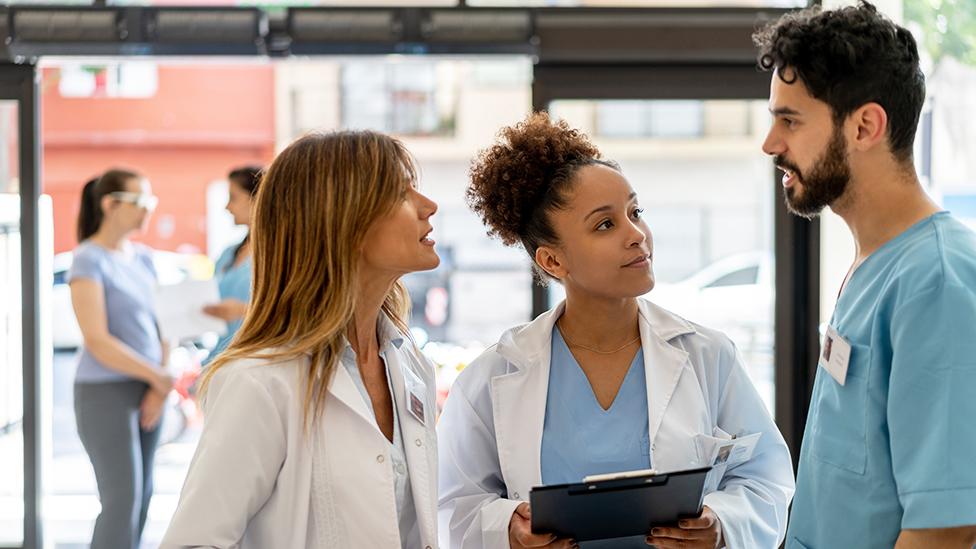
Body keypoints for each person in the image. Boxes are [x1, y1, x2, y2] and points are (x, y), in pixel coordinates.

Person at [437, 113, 794, 549]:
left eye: (635, 212)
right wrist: (507, 528)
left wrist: (721, 523)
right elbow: (452, 504)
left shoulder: (708, 355)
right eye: (605, 224)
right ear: (552, 262)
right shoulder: (492, 377)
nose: (637, 235)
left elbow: (766, 478)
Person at [754, 3, 976, 548]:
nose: (770, 144)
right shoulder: (873, 263)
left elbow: (944, 531)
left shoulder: (937, 282)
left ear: (865, 126)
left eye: (790, 120)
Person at [161, 130, 442, 548]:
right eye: (402, 193)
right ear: (346, 221)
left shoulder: (408, 363)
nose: (428, 206)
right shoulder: (259, 381)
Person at [68, 169, 174, 549]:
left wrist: (159, 383)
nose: (148, 212)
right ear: (110, 205)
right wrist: (159, 378)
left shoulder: (143, 259)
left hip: (149, 387)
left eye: (151, 202)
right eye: (140, 203)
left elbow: (165, 326)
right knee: (121, 502)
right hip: (103, 392)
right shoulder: (88, 260)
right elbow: (98, 340)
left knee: (143, 498)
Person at [202, 165, 262, 363]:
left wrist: (243, 311)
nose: (227, 207)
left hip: (255, 358)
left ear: (256, 198)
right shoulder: (228, 254)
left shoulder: (282, 256)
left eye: (233, 198)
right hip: (221, 357)